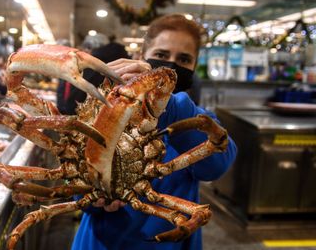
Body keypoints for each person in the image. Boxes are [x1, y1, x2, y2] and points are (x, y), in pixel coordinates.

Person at [71, 14, 237, 250]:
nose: (171, 65)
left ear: (194, 66)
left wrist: (165, 104)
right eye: (161, 55)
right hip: (101, 242)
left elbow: (217, 164)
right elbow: (77, 173)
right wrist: (88, 199)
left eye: (184, 59)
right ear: (141, 56)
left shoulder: (196, 119)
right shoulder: (107, 109)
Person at [57, 35, 129, 114]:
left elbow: (77, 95)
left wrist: (67, 110)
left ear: (89, 48)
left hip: (87, 116)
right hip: (116, 111)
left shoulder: (93, 64)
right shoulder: (121, 59)